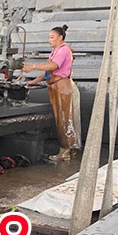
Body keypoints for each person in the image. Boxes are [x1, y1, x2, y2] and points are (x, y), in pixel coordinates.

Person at [23, 25, 81, 162]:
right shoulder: (55, 51)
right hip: (56, 86)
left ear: (60, 37)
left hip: (63, 87)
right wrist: (34, 81)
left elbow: (53, 66)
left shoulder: (64, 50)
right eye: (49, 37)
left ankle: (64, 151)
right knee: (63, 118)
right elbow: (48, 72)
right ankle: (70, 148)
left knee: (64, 119)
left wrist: (33, 66)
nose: (49, 40)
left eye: (52, 37)